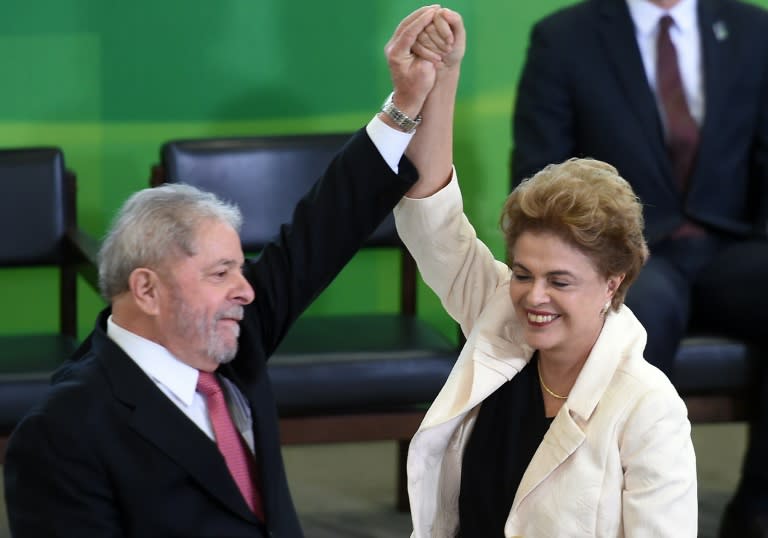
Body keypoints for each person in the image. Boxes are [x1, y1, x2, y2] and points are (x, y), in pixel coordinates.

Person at [2, 6, 457, 537]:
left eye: (241, 269)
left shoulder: (228, 339)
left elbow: (322, 228)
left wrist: (404, 103)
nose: (245, 290)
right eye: (221, 274)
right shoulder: (64, 433)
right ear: (146, 289)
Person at [397, 8, 697, 536]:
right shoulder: (497, 316)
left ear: (614, 282)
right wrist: (442, 75)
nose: (533, 297)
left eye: (560, 281)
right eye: (521, 273)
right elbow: (431, 218)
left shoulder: (650, 408)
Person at [511, 0, 768, 533]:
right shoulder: (564, 37)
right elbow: (541, 173)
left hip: (733, 245)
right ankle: (605, 509)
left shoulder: (753, 28)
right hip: (625, 254)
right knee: (627, 313)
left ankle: (759, 508)